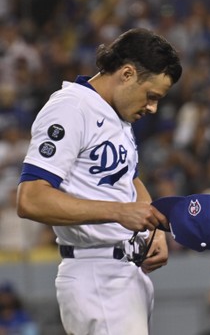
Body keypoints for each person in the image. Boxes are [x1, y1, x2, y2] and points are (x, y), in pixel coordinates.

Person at [16, 28, 182, 335]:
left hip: (125, 270)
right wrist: (119, 212)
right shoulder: (71, 107)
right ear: (127, 73)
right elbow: (30, 199)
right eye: (152, 96)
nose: (153, 108)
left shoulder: (116, 112)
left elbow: (129, 180)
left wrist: (153, 229)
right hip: (96, 273)